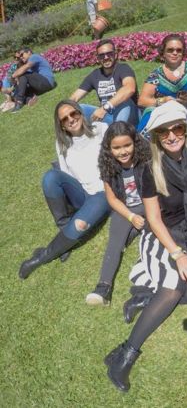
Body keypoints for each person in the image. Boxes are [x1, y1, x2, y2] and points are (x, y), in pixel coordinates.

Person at [104, 101, 187, 392]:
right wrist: (177, 254)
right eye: (164, 131)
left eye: (177, 128)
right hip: (163, 236)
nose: (172, 136)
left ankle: (147, 298)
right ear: (157, 136)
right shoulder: (150, 169)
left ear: (186, 128)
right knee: (173, 286)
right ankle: (124, 356)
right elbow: (153, 219)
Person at [19, 100, 110, 280]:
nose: (71, 119)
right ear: (61, 124)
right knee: (50, 177)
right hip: (81, 193)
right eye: (65, 118)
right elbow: (66, 175)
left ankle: (39, 259)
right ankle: (64, 229)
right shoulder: (62, 144)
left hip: (103, 193)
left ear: (80, 113)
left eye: (73, 113)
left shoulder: (101, 129)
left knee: (80, 224)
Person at [86, 122, 151, 306]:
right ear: (109, 148)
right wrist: (131, 216)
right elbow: (112, 199)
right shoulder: (108, 166)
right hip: (125, 209)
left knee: (155, 227)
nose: (123, 152)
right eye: (116, 148)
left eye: (127, 145)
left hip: (150, 203)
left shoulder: (147, 158)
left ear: (135, 142)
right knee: (114, 243)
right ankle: (103, 288)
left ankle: (138, 230)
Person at [137, 34, 187, 135]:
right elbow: (142, 101)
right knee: (149, 116)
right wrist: (162, 101)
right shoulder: (156, 75)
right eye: (170, 50)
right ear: (163, 52)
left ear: (183, 52)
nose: (175, 53)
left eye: (179, 50)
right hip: (164, 112)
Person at [69, 39, 139, 126]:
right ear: (98, 58)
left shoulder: (124, 68)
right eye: (102, 55)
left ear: (115, 54)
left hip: (130, 115)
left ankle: (119, 132)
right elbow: (74, 97)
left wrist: (105, 108)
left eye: (109, 53)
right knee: (80, 109)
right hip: (109, 116)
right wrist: (64, 111)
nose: (106, 57)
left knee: (125, 101)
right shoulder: (95, 75)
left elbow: (129, 89)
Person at [10, 48, 56, 113]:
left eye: (22, 54)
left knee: (23, 74)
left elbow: (24, 69)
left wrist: (13, 76)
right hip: (40, 85)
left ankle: (19, 102)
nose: (21, 57)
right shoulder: (30, 66)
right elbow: (21, 80)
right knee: (17, 89)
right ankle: (29, 99)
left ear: (29, 52)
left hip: (47, 82)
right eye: (20, 56)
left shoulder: (34, 56)